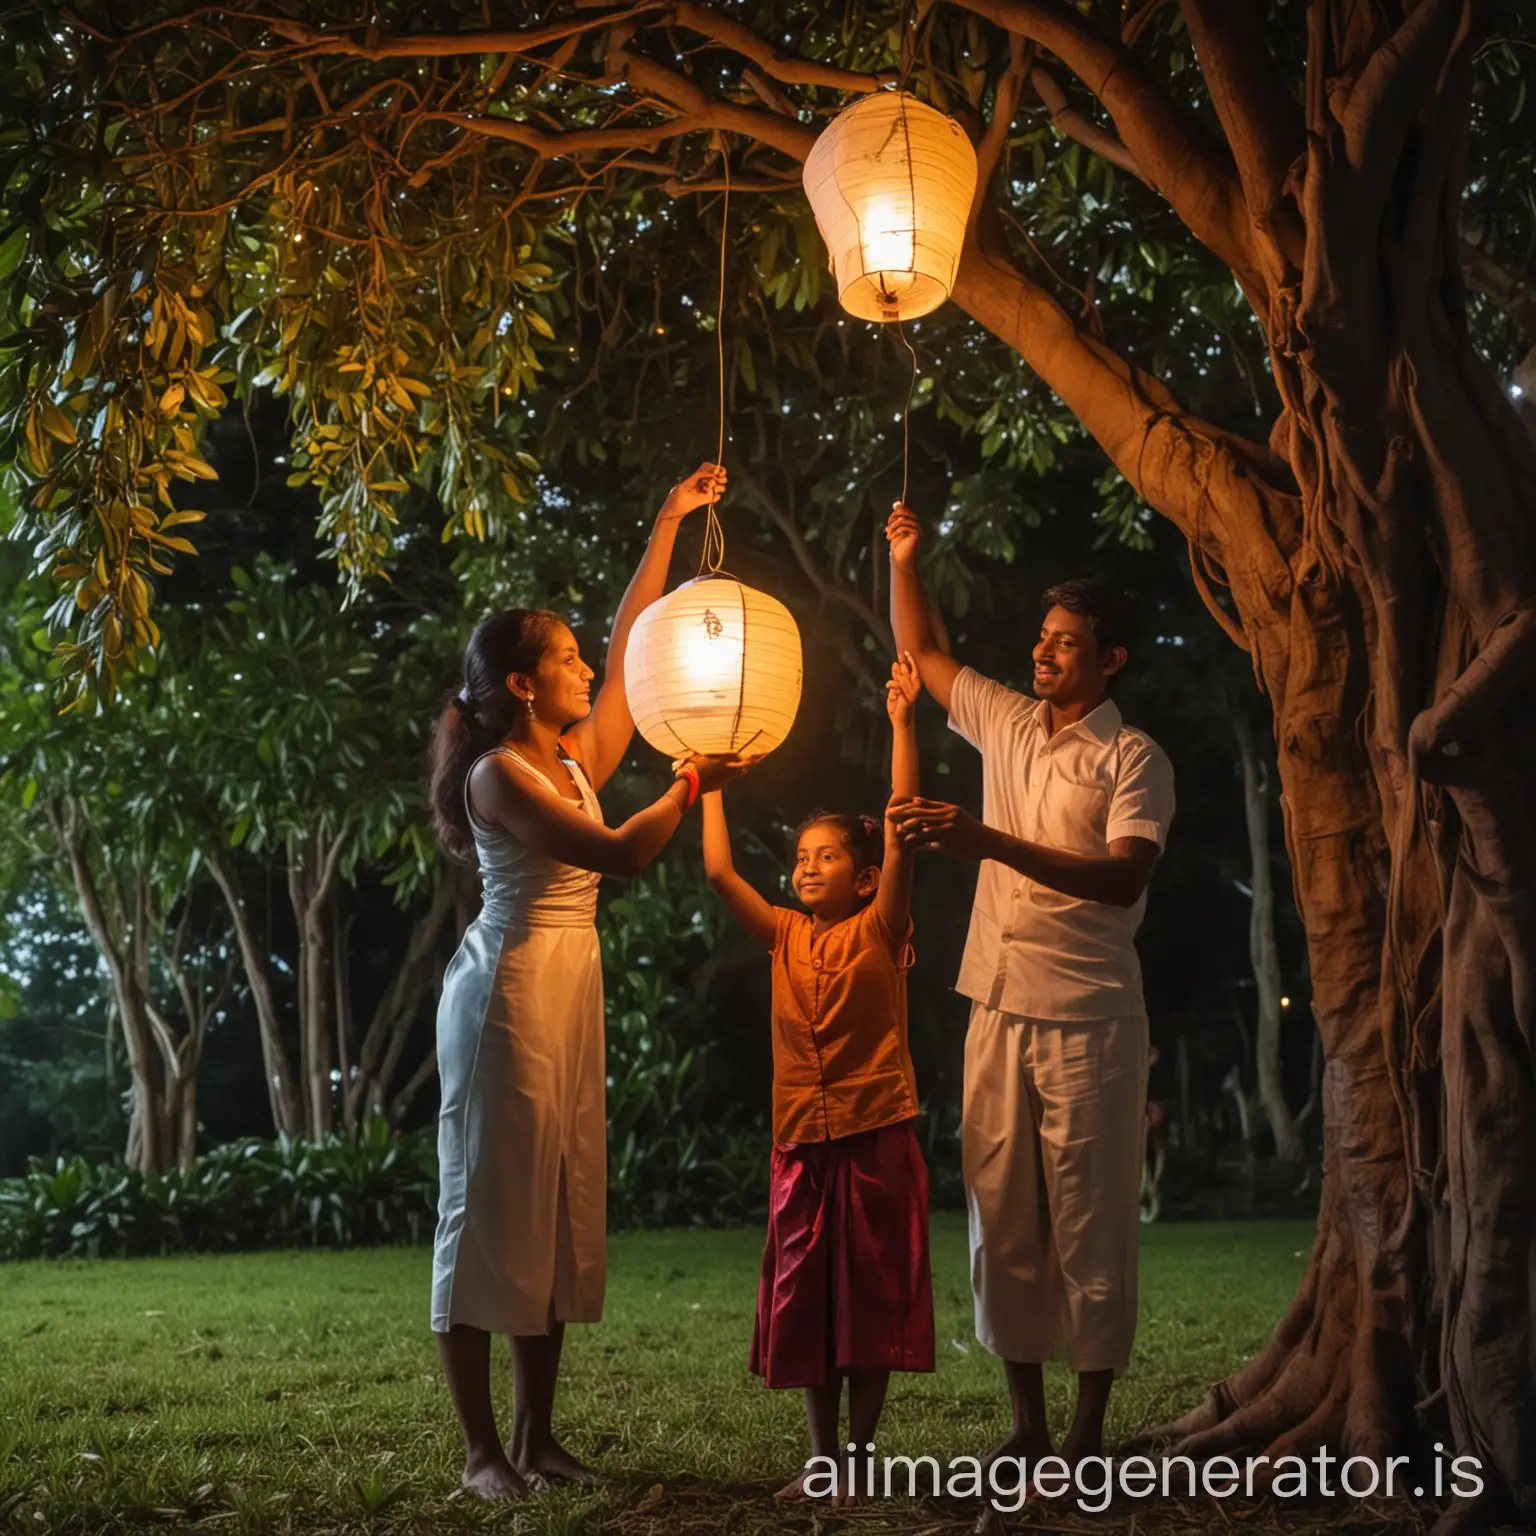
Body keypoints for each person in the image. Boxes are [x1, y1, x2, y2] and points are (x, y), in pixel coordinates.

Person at [426, 463, 751, 1499]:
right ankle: (482, 1453)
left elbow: (632, 635)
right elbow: (620, 856)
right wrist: (692, 778)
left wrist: (668, 518)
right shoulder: (499, 775)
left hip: (568, 985)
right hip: (507, 996)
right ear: (522, 684)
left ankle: (539, 1439)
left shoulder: (570, 757)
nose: (586, 668)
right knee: (486, 1213)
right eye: (564, 659)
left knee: (558, 1210)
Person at [883, 503, 1175, 1471]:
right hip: (996, 1004)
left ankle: (1088, 1432)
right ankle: (1029, 1424)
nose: (1043, 654)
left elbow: (1124, 876)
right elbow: (921, 653)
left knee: (1091, 1222)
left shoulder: (1134, 758)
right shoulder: (1008, 722)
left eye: (1065, 644)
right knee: (998, 1215)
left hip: (1091, 1018)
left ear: (1112, 660)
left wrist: (987, 840)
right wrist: (905, 561)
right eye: (1043, 640)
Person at [701, 653, 935, 1503]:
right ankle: (820, 1457)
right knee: (804, 1298)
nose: (806, 867)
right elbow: (721, 874)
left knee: (870, 1301)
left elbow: (902, 821)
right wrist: (709, 778)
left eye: (827, 856)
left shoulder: (882, 929)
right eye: (801, 856)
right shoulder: (783, 934)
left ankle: (861, 1457)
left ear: (865, 877)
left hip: (876, 1133)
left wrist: (905, 723)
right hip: (802, 1141)